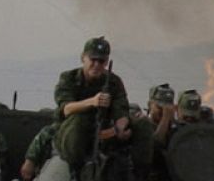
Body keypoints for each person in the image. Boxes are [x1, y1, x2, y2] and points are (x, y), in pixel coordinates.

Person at [53, 35, 149, 173]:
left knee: (142, 124)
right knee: (78, 120)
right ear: (83, 58)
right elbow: (66, 109)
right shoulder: (69, 79)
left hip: (105, 132)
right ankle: (78, 173)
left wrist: (120, 128)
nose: (97, 65)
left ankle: (141, 173)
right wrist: (92, 102)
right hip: (71, 132)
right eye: (93, 60)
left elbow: (121, 110)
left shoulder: (113, 82)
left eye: (101, 61)